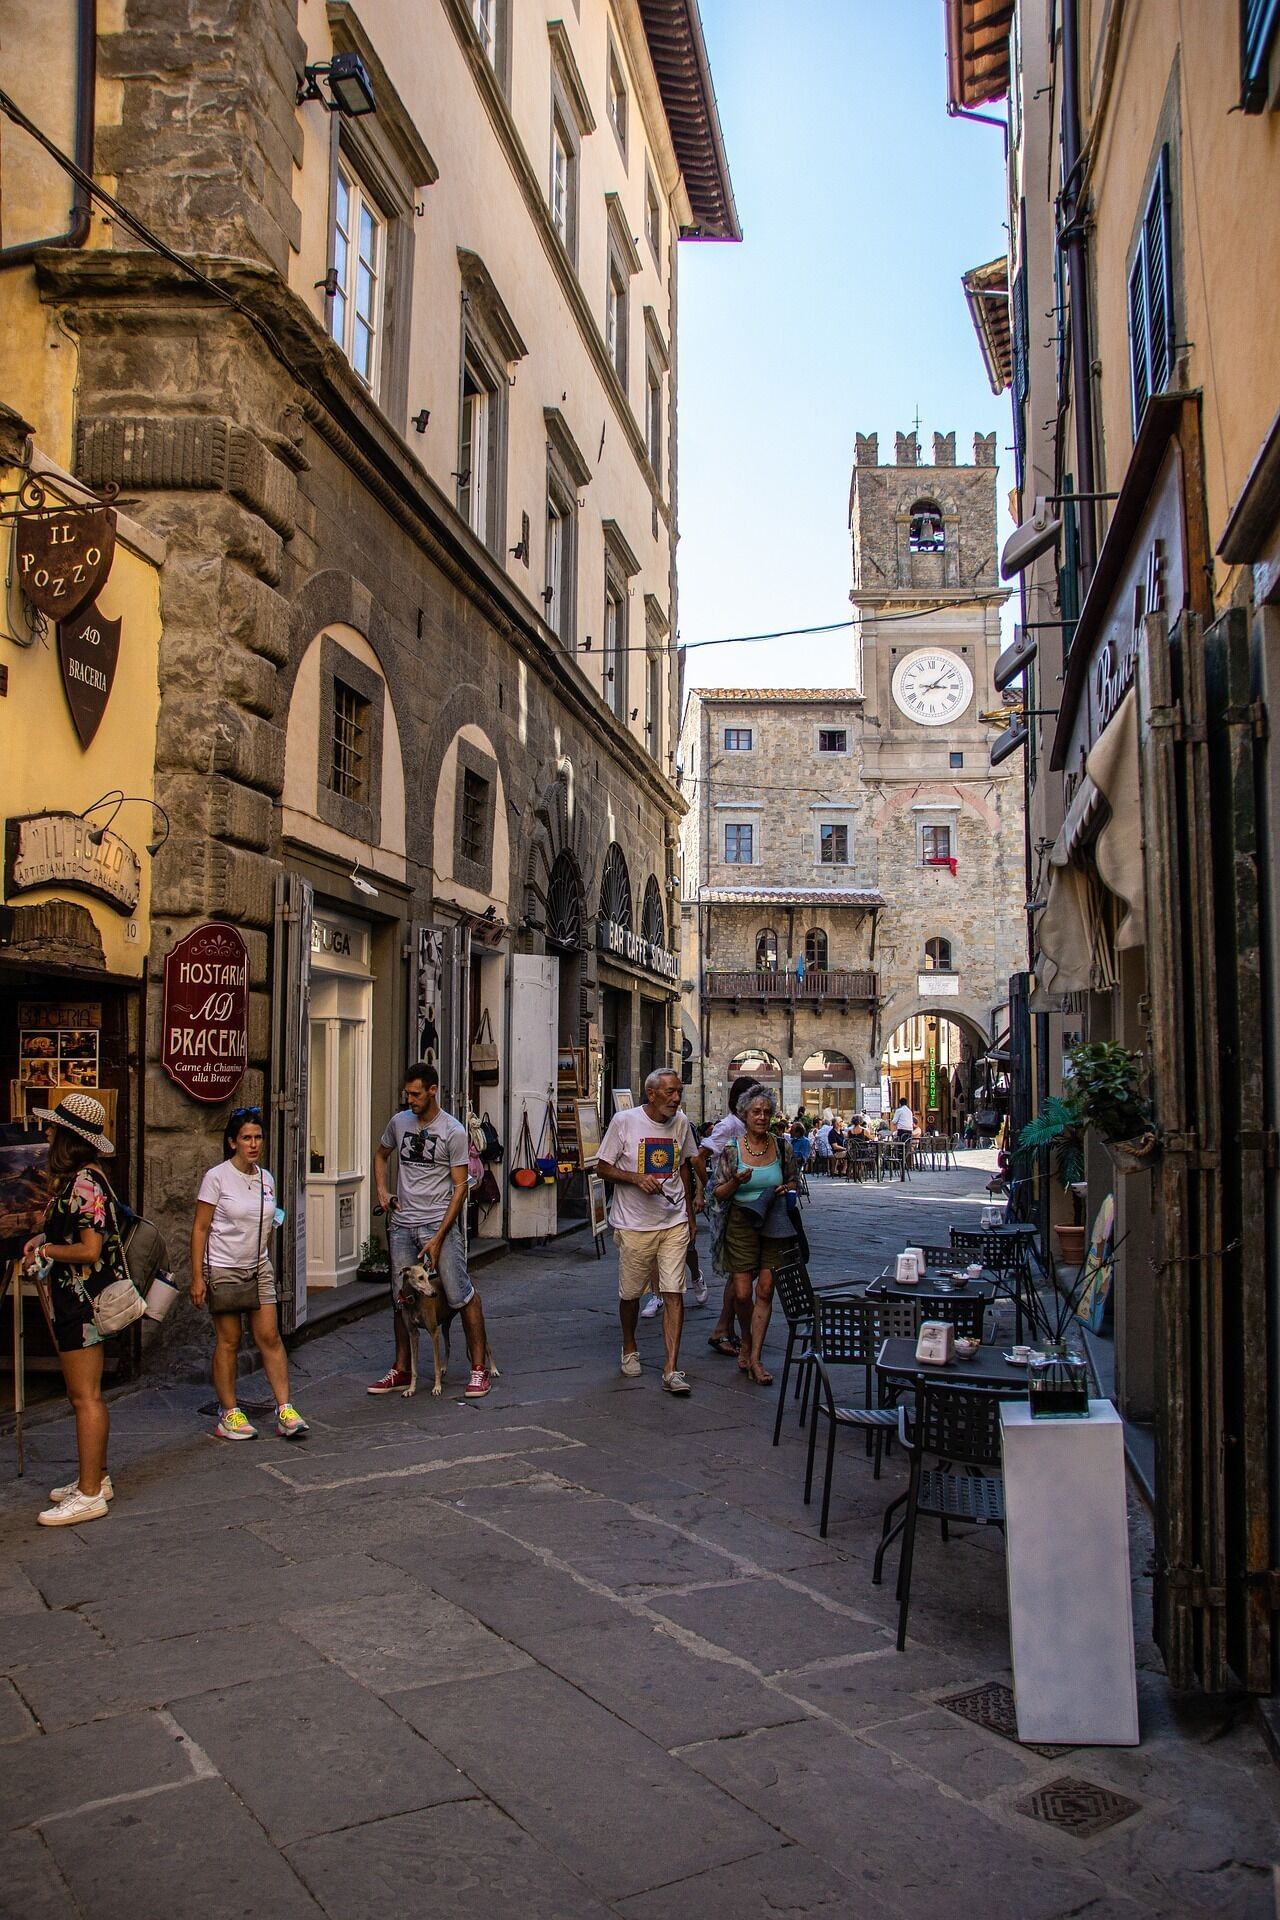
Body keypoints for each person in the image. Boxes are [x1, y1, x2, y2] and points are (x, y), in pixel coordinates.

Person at [22, 1094, 122, 1525]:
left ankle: (88, 1494)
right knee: (87, 1396)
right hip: (80, 1301)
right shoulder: (88, 1178)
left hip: (81, 1305)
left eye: (53, 1129)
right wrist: (43, 1240)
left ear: (68, 1138)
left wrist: (46, 1248)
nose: (47, 1134)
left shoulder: (83, 1183)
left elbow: (89, 1249)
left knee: (85, 1398)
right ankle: (95, 1478)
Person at [369, 1063, 493, 1399]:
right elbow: (381, 1156)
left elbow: (460, 1188)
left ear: (433, 1090)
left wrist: (439, 1237)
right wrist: (383, 1192)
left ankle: (479, 1369)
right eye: (407, 1093)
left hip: (438, 1224)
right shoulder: (399, 1123)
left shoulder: (453, 1131)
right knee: (401, 1298)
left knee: (458, 1294)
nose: (409, 1099)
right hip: (402, 1225)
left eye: (416, 1094)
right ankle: (401, 1368)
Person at [190, 1107, 309, 1441]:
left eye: (258, 1137)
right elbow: (200, 1228)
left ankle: (285, 1408)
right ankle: (229, 1413)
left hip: (259, 1267)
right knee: (229, 1341)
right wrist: (198, 1276)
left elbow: (270, 1221)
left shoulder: (266, 1178)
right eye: (246, 1138)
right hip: (224, 1268)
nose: (254, 1144)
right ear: (232, 1142)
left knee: (269, 1337)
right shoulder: (217, 1177)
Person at [597, 1068, 697, 1395]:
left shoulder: (681, 1123)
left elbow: (683, 1163)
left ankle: (671, 1369)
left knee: (673, 1291)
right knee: (630, 1295)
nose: (676, 1098)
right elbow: (602, 1167)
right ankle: (629, 1345)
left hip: (673, 1220)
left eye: (678, 1091)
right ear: (651, 1094)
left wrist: (691, 1211)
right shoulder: (624, 1122)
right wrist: (636, 1178)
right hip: (634, 1223)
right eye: (669, 1092)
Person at [712, 1084, 798, 1386]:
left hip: (774, 1222)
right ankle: (745, 1342)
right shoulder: (732, 1150)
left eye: (766, 1112)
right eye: (755, 1112)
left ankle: (756, 1357)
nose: (761, 1117)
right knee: (742, 1293)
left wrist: (787, 1189)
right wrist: (736, 1181)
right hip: (740, 1222)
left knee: (765, 1289)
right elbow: (718, 1194)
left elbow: (792, 1181)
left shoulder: (782, 1146)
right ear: (744, 1115)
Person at [693, 1072, 757, 1356]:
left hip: (746, 1204)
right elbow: (698, 1157)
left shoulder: (749, 1126)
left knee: (742, 1272)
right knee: (739, 1272)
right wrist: (708, 1188)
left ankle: (726, 1328)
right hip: (729, 1204)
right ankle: (722, 1329)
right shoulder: (729, 1126)